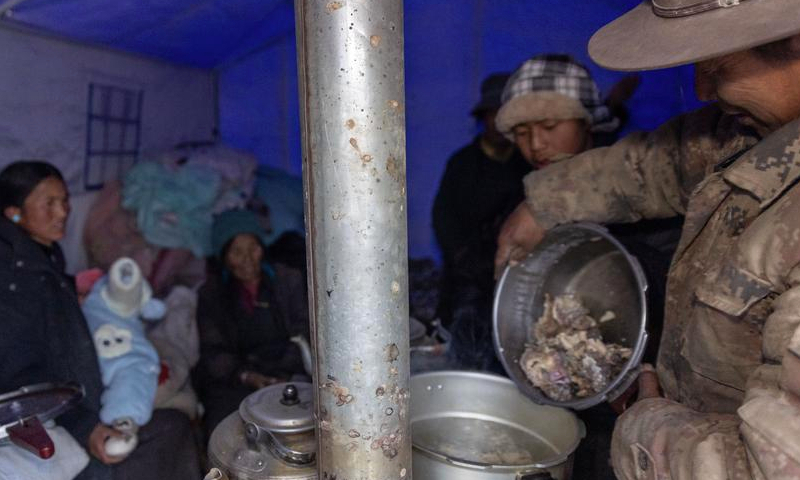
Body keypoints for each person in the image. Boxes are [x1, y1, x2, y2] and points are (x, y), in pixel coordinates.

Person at [495, 1, 800, 478]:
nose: (701, 89)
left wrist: (646, 425)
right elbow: (662, 162)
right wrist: (544, 203)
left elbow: (766, 467)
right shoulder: (756, 131)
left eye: (717, 65)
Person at [0, 160, 201, 480]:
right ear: (14, 213)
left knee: (168, 416)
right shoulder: (15, 277)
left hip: (78, 401)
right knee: (168, 431)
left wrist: (72, 293)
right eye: (48, 203)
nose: (63, 211)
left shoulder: (39, 255)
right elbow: (22, 374)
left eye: (64, 200)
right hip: (58, 421)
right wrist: (86, 427)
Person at [432, 72, 531, 370]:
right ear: (484, 117)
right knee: (467, 344)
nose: (499, 123)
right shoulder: (462, 163)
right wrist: (464, 257)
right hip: (468, 272)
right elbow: (443, 216)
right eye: (493, 114)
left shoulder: (527, 161)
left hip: (516, 273)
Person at [194, 209, 309, 436]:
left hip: (286, 370)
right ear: (224, 256)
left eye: (253, 249)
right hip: (238, 378)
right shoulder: (211, 295)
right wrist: (247, 376)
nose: (247, 259)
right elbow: (213, 352)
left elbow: (304, 332)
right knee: (227, 428)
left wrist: (283, 374)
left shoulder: (288, 280)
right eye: (237, 251)